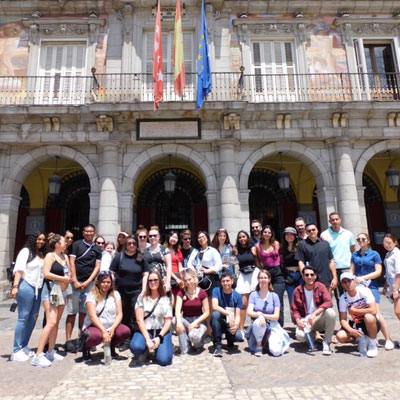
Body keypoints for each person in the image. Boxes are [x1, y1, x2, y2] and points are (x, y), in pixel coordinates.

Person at [32, 234, 71, 367]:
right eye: (63, 241)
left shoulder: (65, 257)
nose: (66, 243)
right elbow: (46, 273)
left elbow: (67, 272)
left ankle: (50, 351)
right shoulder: (50, 256)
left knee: (56, 322)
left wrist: (67, 279)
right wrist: (63, 279)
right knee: (51, 321)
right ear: (57, 244)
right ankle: (38, 354)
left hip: (62, 292)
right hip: (50, 291)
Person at [351, 233, 394, 350]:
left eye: (363, 239)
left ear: (368, 241)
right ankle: (370, 339)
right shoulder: (354, 255)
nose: (361, 241)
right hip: (359, 288)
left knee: (376, 312)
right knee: (362, 314)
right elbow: (352, 271)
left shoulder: (374, 254)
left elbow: (378, 271)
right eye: (358, 239)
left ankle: (388, 339)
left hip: (371, 286)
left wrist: (364, 278)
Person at [65, 224, 102, 352]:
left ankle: (83, 340)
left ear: (94, 233)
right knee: (71, 312)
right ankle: (68, 341)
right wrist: (74, 280)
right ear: (83, 233)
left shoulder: (97, 249)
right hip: (75, 283)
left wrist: (88, 282)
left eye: (91, 231)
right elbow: (71, 262)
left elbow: (97, 267)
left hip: (89, 284)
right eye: (87, 231)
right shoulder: (76, 245)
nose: (89, 233)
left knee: (84, 313)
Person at [10, 232, 46, 362]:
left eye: (43, 240)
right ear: (33, 239)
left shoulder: (40, 253)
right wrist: (15, 286)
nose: (41, 242)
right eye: (39, 239)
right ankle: (16, 349)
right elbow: (19, 269)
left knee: (33, 317)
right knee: (23, 317)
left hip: (38, 287)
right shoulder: (26, 251)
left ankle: (24, 345)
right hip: (27, 285)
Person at [82, 270, 131, 360]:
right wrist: (104, 331)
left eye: (108, 282)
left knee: (125, 331)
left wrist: (113, 328)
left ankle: (110, 347)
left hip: (111, 325)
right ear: (98, 282)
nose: (106, 284)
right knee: (95, 336)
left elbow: (119, 314)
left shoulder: (115, 294)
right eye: (103, 282)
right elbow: (92, 316)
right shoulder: (91, 295)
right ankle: (86, 348)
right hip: (95, 326)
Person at [130, 270, 173, 366]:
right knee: (136, 347)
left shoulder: (166, 299)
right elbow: (139, 320)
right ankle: (145, 349)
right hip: (146, 330)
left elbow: (168, 321)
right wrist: (147, 340)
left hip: (160, 331)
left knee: (164, 360)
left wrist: (159, 337)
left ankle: (159, 348)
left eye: (155, 280)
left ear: (160, 281)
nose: (153, 282)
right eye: (150, 280)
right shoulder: (141, 298)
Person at [290, 265, 336, 355]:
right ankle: (312, 335)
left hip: (318, 318)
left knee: (331, 313)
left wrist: (314, 314)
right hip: (305, 320)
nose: (309, 277)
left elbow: (329, 302)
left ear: (315, 276)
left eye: (312, 274)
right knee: (300, 336)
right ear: (303, 277)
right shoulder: (297, 291)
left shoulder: (320, 287)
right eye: (306, 275)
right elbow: (294, 310)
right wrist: (299, 322)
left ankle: (326, 342)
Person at [110, 234, 150, 334]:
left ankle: (134, 337)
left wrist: (144, 290)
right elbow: (111, 272)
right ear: (126, 245)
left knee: (135, 314)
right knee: (122, 314)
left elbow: (146, 273)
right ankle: (123, 337)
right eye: (129, 243)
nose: (131, 245)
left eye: (133, 243)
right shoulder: (120, 257)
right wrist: (113, 288)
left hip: (136, 291)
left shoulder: (141, 257)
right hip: (121, 291)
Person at [336, 272, 380, 358]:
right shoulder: (343, 298)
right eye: (344, 282)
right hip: (356, 324)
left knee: (368, 317)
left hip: (371, 322)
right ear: (342, 284)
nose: (347, 284)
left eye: (349, 281)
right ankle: (362, 339)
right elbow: (343, 320)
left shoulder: (364, 291)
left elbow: (374, 311)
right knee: (340, 336)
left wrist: (355, 311)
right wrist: (351, 330)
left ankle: (372, 344)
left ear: (354, 281)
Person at [246, 270, 290, 357]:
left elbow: (276, 317)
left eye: (265, 278)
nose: (263, 280)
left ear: (269, 279)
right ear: (258, 279)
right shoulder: (253, 295)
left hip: (272, 325)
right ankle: (259, 345)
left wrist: (262, 315)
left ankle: (267, 343)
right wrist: (259, 317)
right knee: (259, 322)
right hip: (258, 324)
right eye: (261, 278)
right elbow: (249, 312)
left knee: (276, 352)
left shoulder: (274, 296)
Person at [255, 225, 285, 326]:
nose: (267, 234)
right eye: (265, 232)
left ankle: (279, 324)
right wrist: (262, 270)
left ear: (271, 234)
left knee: (278, 298)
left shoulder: (276, 244)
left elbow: (281, 257)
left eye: (269, 232)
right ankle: (268, 323)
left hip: (277, 272)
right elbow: (258, 260)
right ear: (262, 233)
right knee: (266, 298)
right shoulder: (258, 246)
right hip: (266, 272)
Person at [320, 212, 355, 298]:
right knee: (338, 295)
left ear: (340, 220)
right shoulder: (324, 235)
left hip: (346, 267)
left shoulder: (348, 234)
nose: (335, 221)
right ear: (329, 221)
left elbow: (353, 249)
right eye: (333, 220)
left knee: (351, 293)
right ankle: (341, 311)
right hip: (332, 268)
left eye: (337, 219)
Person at [175, 270, 210, 354]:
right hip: (186, 320)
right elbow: (177, 310)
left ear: (194, 279)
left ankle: (199, 345)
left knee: (194, 336)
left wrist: (195, 323)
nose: (188, 282)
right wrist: (179, 322)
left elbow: (207, 312)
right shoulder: (181, 293)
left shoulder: (202, 293)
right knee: (175, 320)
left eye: (189, 279)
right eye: (185, 280)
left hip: (199, 321)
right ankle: (186, 347)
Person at [296, 223, 337, 293]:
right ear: (306, 232)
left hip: (325, 279)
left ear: (317, 230)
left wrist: (335, 277)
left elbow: (331, 261)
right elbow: (300, 262)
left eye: (313, 230)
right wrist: (305, 276)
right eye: (309, 231)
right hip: (310, 280)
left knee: (327, 302)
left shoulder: (325, 244)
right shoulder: (302, 244)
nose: (312, 232)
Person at [211, 272, 244, 357]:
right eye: (223, 281)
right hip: (220, 321)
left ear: (232, 281)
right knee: (215, 315)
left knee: (239, 337)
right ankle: (218, 346)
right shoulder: (216, 290)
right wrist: (228, 313)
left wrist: (236, 326)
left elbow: (238, 315)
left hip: (231, 322)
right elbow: (214, 306)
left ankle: (230, 340)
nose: (225, 283)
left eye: (227, 281)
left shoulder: (237, 296)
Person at [233, 230, 258, 333]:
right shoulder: (236, 249)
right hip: (243, 275)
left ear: (247, 237)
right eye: (240, 237)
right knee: (243, 303)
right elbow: (230, 262)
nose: (242, 239)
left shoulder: (253, 248)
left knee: (255, 301)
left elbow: (258, 261)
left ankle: (255, 326)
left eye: (244, 237)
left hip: (254, 274)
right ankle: (241, 327)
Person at [144, 227, 172, 293]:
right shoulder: (144, 251)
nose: (152, 238)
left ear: (158, 236)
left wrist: (168, 282)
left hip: (162, 280)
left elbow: (169, 266)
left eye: (155, 236)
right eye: (150, 236)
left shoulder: (164, 249)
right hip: (149, 281)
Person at [280, 227, 302, 306]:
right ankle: (294, 318)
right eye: (287, 234)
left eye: (291, 234)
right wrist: (286, 275)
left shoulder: (300, 246)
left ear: (295, 236)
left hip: (300, 275)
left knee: (302, 298)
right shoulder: (282, 248)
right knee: (292, 299)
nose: (289, 236)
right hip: (289, 275)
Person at [383, 233, 400, 321]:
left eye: (389, 243)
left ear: (395, 243)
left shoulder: (396, 254)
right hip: (392, 285)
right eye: (385, 243)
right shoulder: (388, 255)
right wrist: (385, 286)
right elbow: (388, 272)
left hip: (397, 286)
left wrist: (396, 289)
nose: (386, 245)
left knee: (398, 311)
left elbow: (398, 273)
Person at [165, 231, 184, 299]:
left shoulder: (177, 250)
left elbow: (180, 266)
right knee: (171, 299)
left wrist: (182, 278)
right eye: (172, 237)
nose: (174, 239)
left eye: (176, 238)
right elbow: (166, 267)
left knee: (179, 299)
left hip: (178, 277)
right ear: (168, 237)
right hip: (169, 277)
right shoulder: (164, 249)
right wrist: (176, 279)